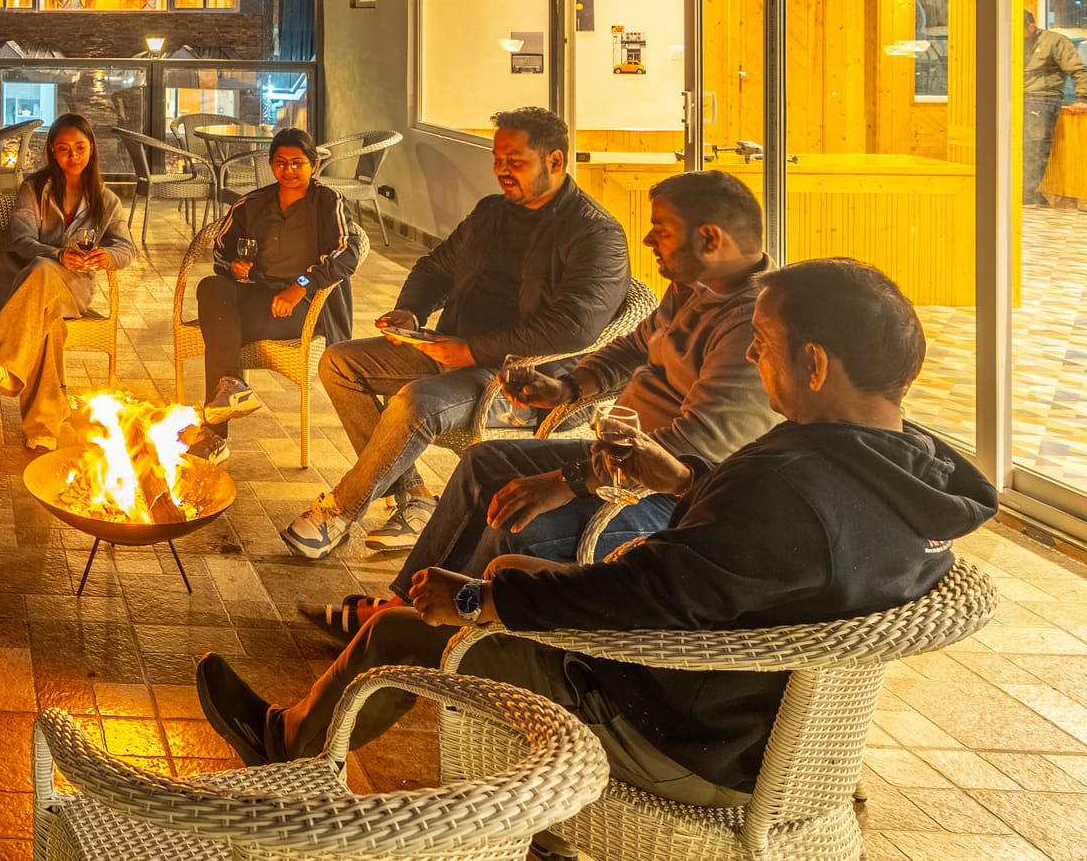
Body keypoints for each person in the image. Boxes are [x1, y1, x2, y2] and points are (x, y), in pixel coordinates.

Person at [196, 256, 997, 821]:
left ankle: (285, 747)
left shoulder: (788, 484)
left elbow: (642, 597)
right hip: (777, 735)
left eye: (763, 342)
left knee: (410, 627)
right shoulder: (906, 466)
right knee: (503, 562)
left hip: (684, 734)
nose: (753, 353)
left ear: (815, 362)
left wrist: (479, 596)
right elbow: (764, 556)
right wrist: (682, 481)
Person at [326, 170, 776, 635]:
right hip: (620, 460)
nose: (648, 239)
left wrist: (571, 480)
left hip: (672, 497)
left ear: (708, 238)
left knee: (517, 517)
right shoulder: (697, 283)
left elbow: (686, 450)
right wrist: (569, 387)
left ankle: (438, 631)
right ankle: (404, 604)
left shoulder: (751, 324)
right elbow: (634, 344)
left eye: (661, 230)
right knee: (486, 460)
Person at [281, 107, 629, 558]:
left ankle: (339, 512)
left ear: (556, 162)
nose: (501, 170)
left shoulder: (595, 233)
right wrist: (410, 311)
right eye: (497, 158)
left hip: (522, 380)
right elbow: (435, 266)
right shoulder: (491, 213)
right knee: (340, 361)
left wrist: (473, 350)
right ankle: (414, 500)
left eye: (515, 161)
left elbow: (572, 326)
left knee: (416, 402)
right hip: (451, 351)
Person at [193, 127, 368, 463]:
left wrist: (300, 284)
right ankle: (231, 382)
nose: (288, 171)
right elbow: (222, 251)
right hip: (260, 295)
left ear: (313, 165)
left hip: (303, 306)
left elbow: (347, 253)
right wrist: (234, 266)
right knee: (211, 289)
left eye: (297, 163)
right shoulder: (253, 203)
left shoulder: (328, 202)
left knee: (220, 329)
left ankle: (215, 437)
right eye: (280, 163)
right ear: (271, 165)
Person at [0, 112, 135, 450]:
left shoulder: (107, 200)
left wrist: (108, 256)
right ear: (51, 152)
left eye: (79, 148)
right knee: (48, 323)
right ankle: (42, 431)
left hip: (73, 289)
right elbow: (20, 239)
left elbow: (126, 248)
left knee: (45, 276)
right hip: (27, 287)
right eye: (63, 149)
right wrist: (57, 254)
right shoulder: (34, 190)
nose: (72, 156)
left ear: (91, 150)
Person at [1023, 9, 1087, 204]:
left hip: (1042, 99)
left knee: (1034, 147)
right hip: (1014, 99)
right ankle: (1014, 190)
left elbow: (1080, 71)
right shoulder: (1009, 41)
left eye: (1020, 31)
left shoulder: (1055, 41)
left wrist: (1082, 98)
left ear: (1031, 26)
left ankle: (1026, 194)